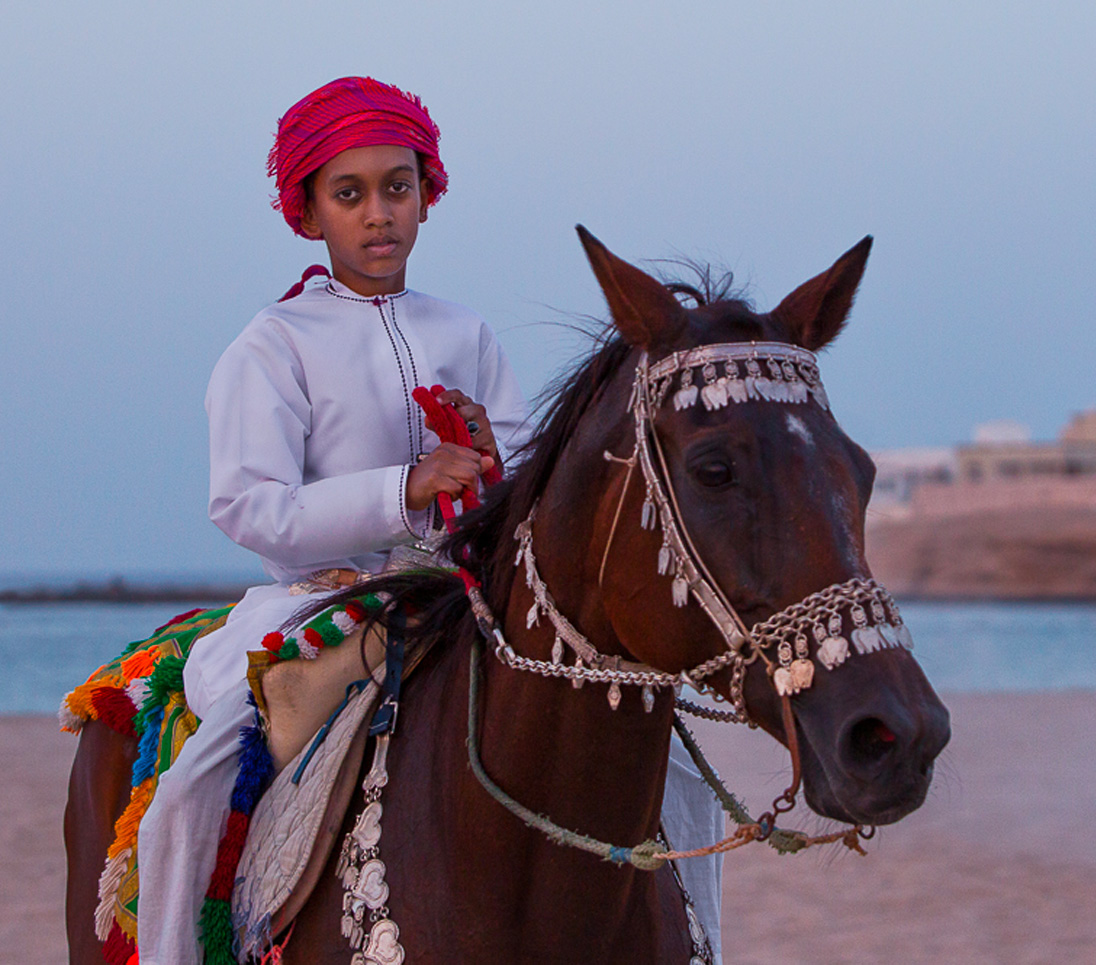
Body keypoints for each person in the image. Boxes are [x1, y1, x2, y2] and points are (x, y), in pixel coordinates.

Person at [133, 77, 723, 962]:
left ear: (425, 195)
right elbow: (250, 506)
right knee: (188, 795)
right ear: (308, 212)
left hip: (467, 597)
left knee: (674, 762)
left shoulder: (465, 331)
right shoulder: (273, 343)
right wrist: (402, 488)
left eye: (397, 188)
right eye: (350, 194)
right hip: (325, 604)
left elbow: (518, 497)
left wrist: (491, 470)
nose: (378, 214)